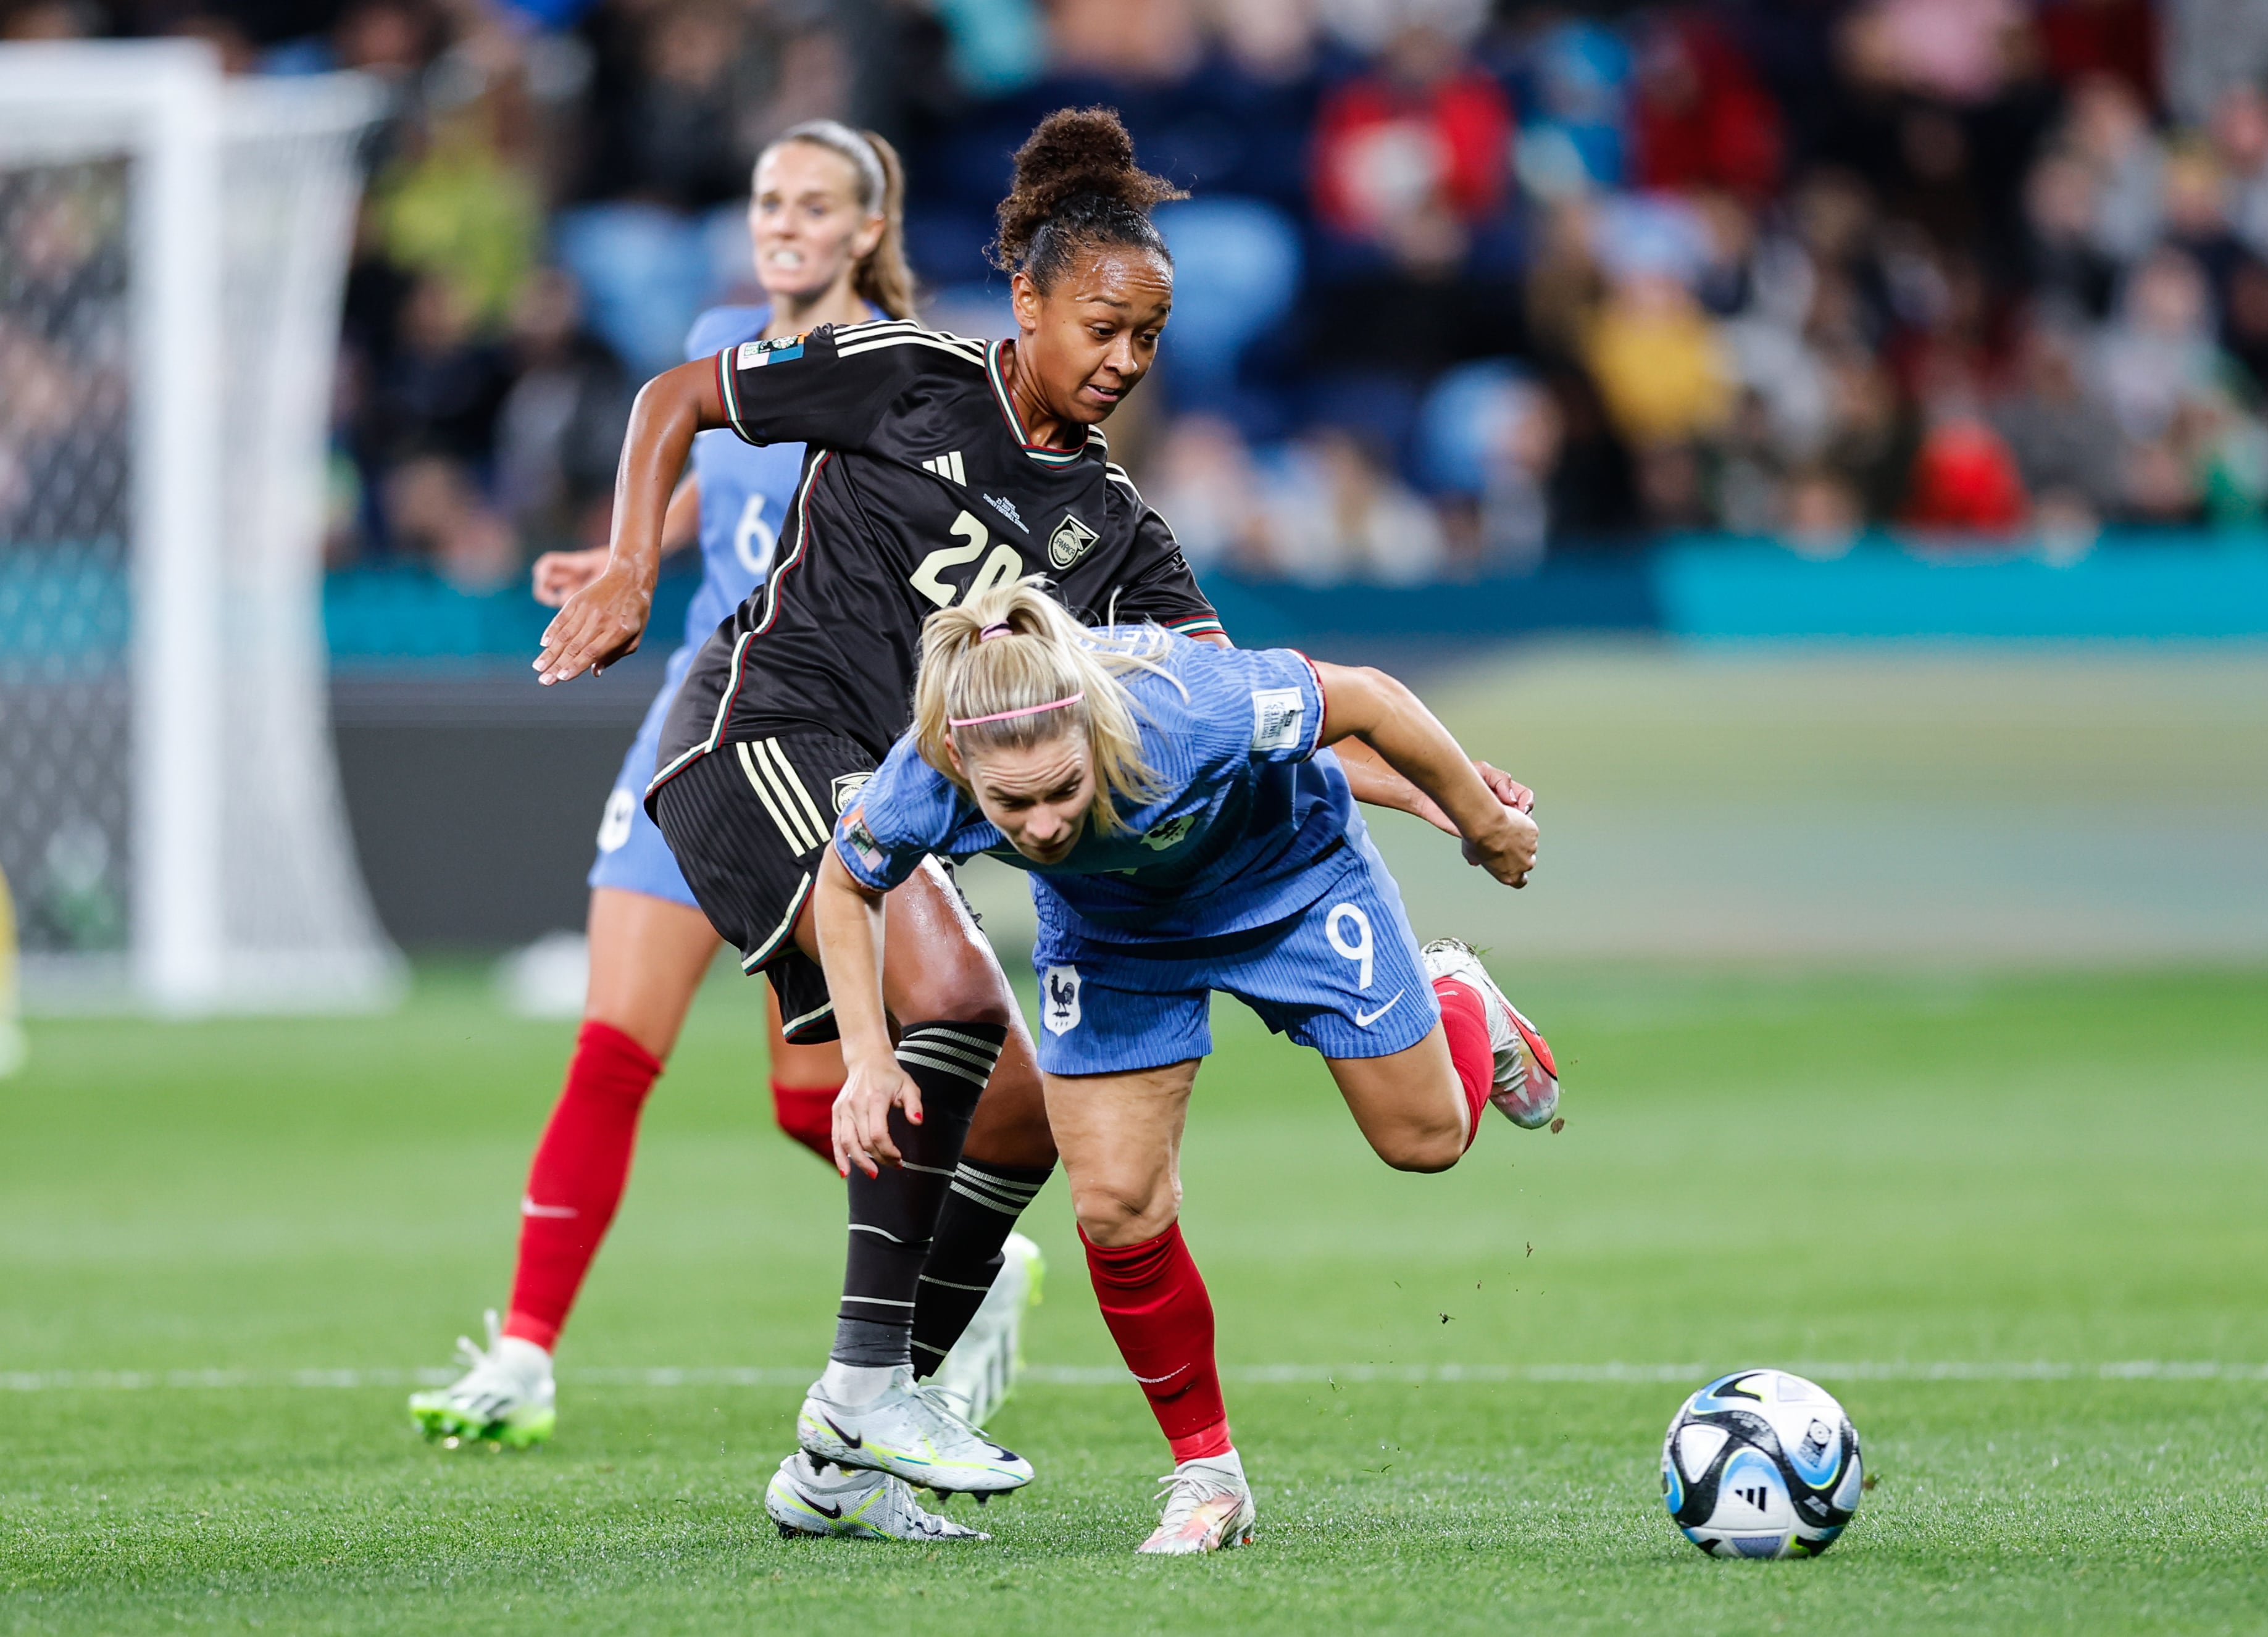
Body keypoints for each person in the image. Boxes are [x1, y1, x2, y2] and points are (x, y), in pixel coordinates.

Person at [534, 107, 1532, 1543]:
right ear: (1028, 302)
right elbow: (674, 398)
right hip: (758, 736)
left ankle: (841, 1464)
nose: (1123, 362)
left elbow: (1228, 724)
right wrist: (633, 563)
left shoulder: (1117, 531)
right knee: (949, 1007)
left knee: (1011, 1103)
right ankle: (865, 1390)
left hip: (890, 787)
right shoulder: (907, 376)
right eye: (1100, 326)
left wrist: (1447, 795)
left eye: (1149, 337)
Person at [409, 123, 1044, 1518]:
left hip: (829, 747)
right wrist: (641, 546)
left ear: (866, 228)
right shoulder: (719, 340)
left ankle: (962, 1262)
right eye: (768, 199)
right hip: (696, 716)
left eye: (815, 204)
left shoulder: (899, 371)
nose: (783, 223)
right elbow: (726, 465)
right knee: (609, 1048)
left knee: (804, 1098)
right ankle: (520, 1354)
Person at [812, 581, 1559, 1555]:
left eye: (1062, 792)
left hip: (1292, 879)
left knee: (1424, 1141)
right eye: (1012, 805)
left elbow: (1369, 698)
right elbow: (846, 878)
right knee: (1115, 1205)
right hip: (1115, 936)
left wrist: (1478, 822)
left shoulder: (1184, 704)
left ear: (1094, 732)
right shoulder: (928, 772)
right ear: (959, 762)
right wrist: (867, 1060)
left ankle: (1458, 993)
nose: (1039, 827)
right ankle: (1210, 1477)